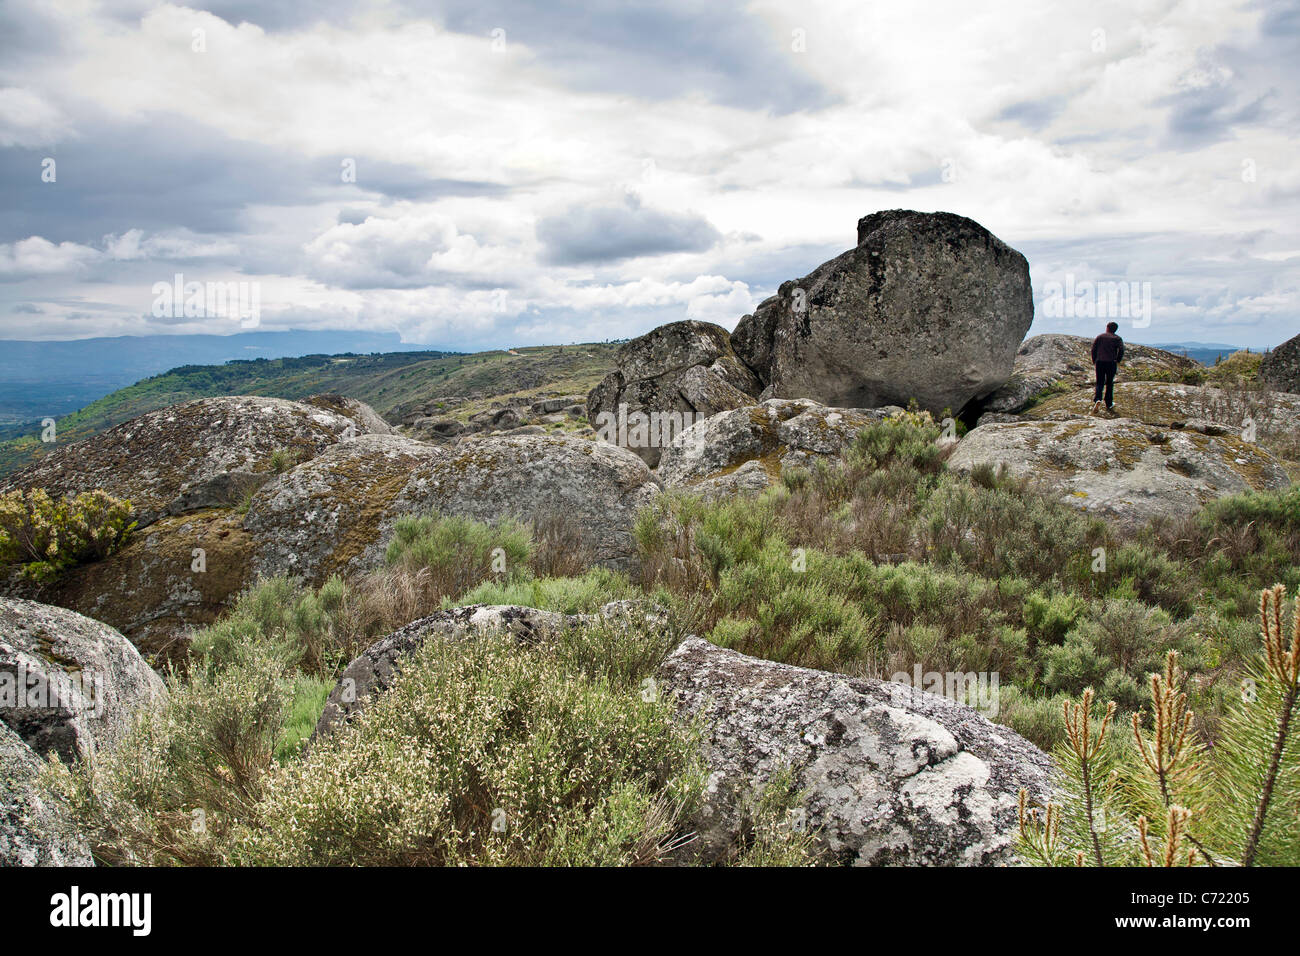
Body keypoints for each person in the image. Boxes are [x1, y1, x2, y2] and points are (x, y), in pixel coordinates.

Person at [1091, 321, 1125, 415]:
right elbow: (1121, 350)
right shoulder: (1117, 338)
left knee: (1099, 382)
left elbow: (1094, 349)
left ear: (1107, 328)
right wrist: (1117, 360)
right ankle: (1109, 403)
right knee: (1109, 383)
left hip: (1100, 362)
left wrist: (1094, 360)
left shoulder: (1100, 336)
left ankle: (1098, 399)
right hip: (1111, 362)